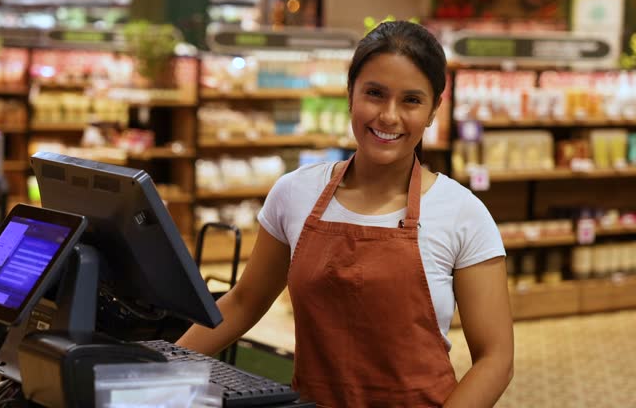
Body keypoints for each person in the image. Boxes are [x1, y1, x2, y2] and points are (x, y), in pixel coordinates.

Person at [177, 21, 514, 407]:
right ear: (350, 94)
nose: (389, 116)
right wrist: (164, 367)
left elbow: (496, 359)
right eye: (374, 93)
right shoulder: (294, 193)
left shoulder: (462, 213)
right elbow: (243, 303)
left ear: (434, 110)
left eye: (411, 100)